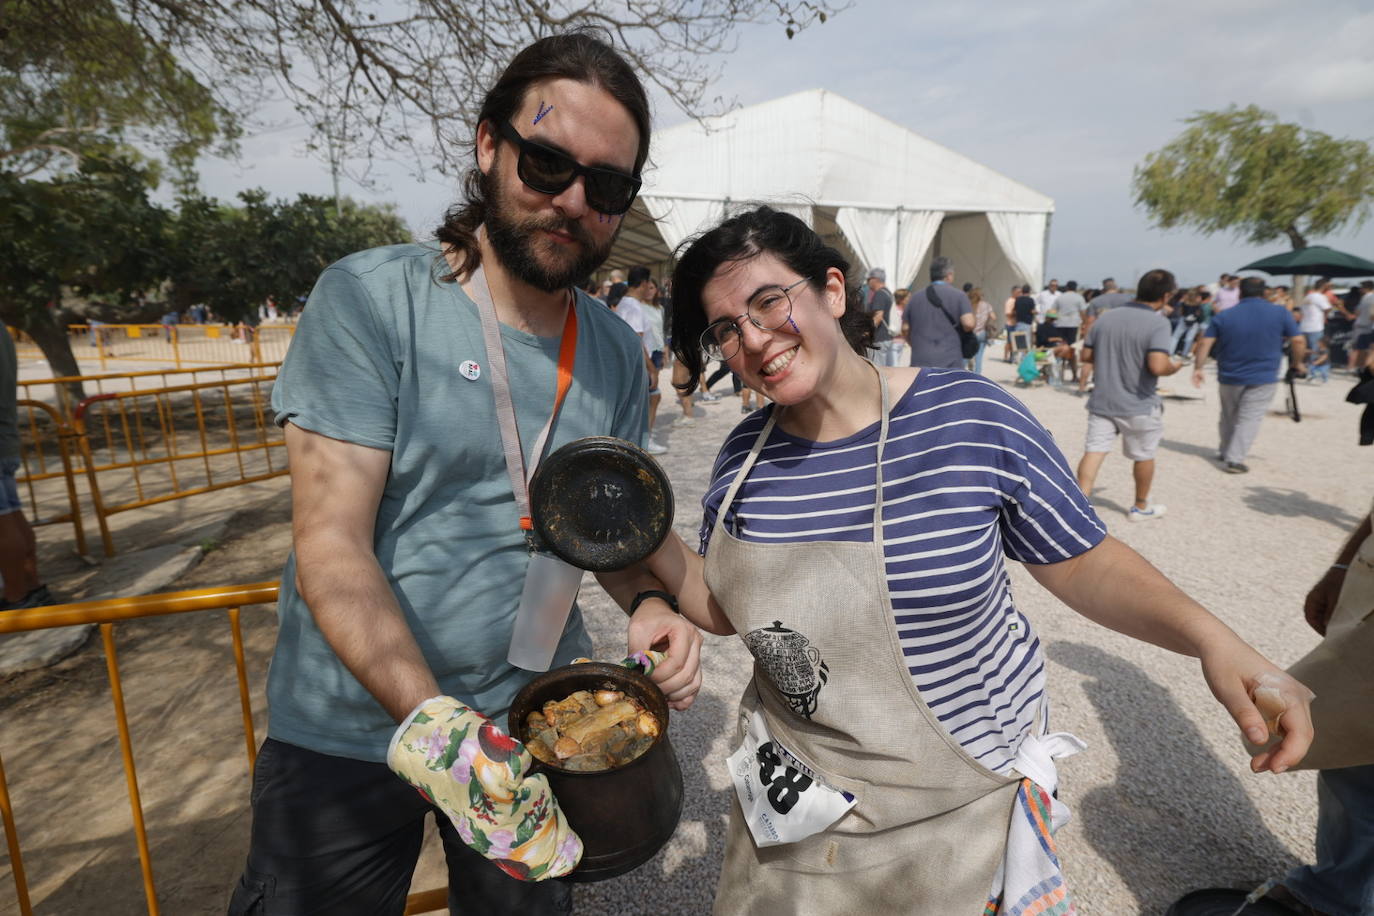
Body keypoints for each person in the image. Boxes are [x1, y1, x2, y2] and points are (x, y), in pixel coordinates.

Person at [650, 205, 1313, 915]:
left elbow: (1080, 559)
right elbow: (727, 612)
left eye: (768, 302)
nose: (753, 339)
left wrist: (1212, 640)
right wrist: (640, 552)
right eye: (727, 328)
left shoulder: (966, 415)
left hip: (960, 808)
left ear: (833, 292)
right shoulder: (743, 460)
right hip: (798, 809)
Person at [228, 32, 704, 915]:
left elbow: (606, 536)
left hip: (530, 732)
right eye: (547, 162)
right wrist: (437, 732)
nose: (571, 200)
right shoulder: (373, 300)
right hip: (350, 732)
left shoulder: (609, 351)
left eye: (605, 185)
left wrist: (650, 604)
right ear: (489, 146)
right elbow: (330, 542)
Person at [1074, 269, 1184, 521]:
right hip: (1139, 403)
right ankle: (1140, 506)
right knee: (1144, 455)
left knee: (1094, 451)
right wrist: (1174, 366)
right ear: (1166, 295)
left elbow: (1086, 356)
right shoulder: (1158, 323)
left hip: (1102, 399)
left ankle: (1079, 506)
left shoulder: (1105, 319)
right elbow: (1157, 365)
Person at [1192, 276, 1308, 474]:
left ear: (1241, 292)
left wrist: (1198, 368)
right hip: (1264, 375)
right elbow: (1298, 341)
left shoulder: (1224, 316)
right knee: (1250, 417)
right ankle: (1235, 459)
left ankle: (1226, 450)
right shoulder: (1280, 313)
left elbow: (1205, 343)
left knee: (1228, 414)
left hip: (1229, 374)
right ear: (1264, 292)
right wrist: (1298, 364)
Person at [0, 327, 52, 612]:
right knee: (12, 514)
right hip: (5, 440)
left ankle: (15, 596)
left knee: (3, 524)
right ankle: (31, 586)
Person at [618, 266, 667, 454]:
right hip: (641, 362)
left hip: (635, 361)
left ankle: (643, 438)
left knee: (649, 398)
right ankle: (645, 439)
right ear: (644, 283)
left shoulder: (626, 303)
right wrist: (651, 368)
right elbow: (637, 339)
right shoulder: (633, 307)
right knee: (652, 398)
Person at [902, 256, 972, 368]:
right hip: (950, 361)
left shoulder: (914, 297)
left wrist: (915, 344)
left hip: (920, 361)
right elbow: (968, 323)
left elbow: (905, 328)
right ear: (949, 275)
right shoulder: (960, 296)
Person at [864, 267, 899, 367]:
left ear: (875, 279)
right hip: (886, 337)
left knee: (877, 369)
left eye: (868, 280)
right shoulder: (888, 292)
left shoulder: (879, 294)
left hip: (879, 338)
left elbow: (878, 316)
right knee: (885, 367)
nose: (867, 282)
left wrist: (867, 332)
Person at [1301, 279, 1334, 372]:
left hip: (1304, 326)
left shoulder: (1307, 296)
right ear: (1323, 286)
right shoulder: (1320, 297)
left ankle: (1304, 369)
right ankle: (1312, 371)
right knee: (1316, 350)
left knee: (1306, 350)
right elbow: (1327, 308)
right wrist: (1325, 316)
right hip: (1315, 326)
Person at [966, 286, 996, 374]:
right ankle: (977, 375)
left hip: (970, 333)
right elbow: (994, 317)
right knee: (979, 357)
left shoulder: (968, 304)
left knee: (967, 354)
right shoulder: (987, 305)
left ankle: (968, 368)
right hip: (982, 333)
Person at [1350, 280, 1374, 371]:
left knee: (1360, 349)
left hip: (1362, 326)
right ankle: (1363, 368)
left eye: (1362, 288)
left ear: (1366, 288)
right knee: (1367, 350)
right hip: (1368, 326)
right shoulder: (1367, 297)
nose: (1360, 290)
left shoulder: (1365, 298)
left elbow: (1357, 312)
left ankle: (1359, 368)